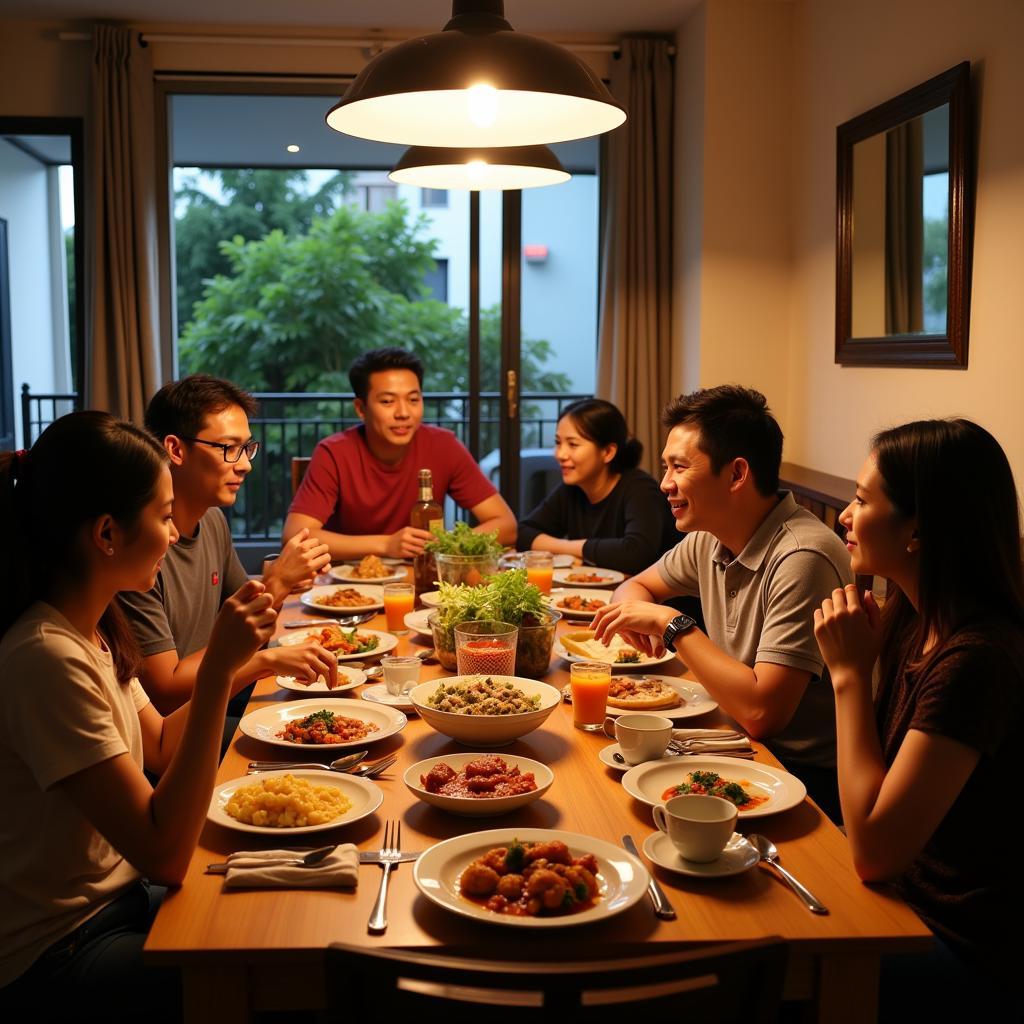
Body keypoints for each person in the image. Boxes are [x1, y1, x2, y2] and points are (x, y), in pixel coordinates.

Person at [0, 412, 276, 1019]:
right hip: (62, 949)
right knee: (265, 970)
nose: (175, 535)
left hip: (121, 903)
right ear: (106, 534)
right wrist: (218, 675)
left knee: (274, 910)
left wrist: (231, 668)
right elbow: (164, 854)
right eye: (161, 515)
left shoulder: (91, 628)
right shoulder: (45, 656)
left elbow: (157, 747)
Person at [812, 419, 1023, 1015]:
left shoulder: (977, 659)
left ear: (919, 529)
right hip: (893, 901)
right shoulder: (912, 616)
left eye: (859, 500)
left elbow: (874, 850)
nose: (844, 518)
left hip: (954, 942)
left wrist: (849, 676)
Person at [592, 385, 852, 819]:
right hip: (733, 747)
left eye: (678, 467)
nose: (665, 484)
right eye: (664, 467)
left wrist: (673, 626)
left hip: (803, 782)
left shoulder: (802, 556)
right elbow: (634, 589)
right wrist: (641, 616)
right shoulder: (709, 538)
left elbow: (761, 712)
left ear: (736, 475)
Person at [119, 375, 337, 716]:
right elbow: (167, 692)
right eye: (228, 448)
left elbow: (253, 633)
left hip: (224, 704)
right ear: (175, 449)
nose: (246, 464)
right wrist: (275, 588)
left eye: (247, 447)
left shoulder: (212, 520)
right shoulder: (140, 549)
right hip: (186, 728)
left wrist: (282, 583)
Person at [284, 347, 517, 559]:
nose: (403, 413)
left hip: (421, 582)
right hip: (349, 587)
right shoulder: (334, 453)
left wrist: (447, 545)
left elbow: (506, 525)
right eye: (387, 401)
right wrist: (385, 545)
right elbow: (295, 536)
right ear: (361, 409)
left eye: (413, 399)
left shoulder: (443, 445)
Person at [516, 398, 677, 575]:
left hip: (654, 600)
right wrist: (578, 551)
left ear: (608, 452)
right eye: (558, 442)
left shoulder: (641, 489)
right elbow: (523, 533)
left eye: (573, 444)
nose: (560, 454)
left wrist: (571, 549)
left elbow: (635, 553)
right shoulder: (572, 489)